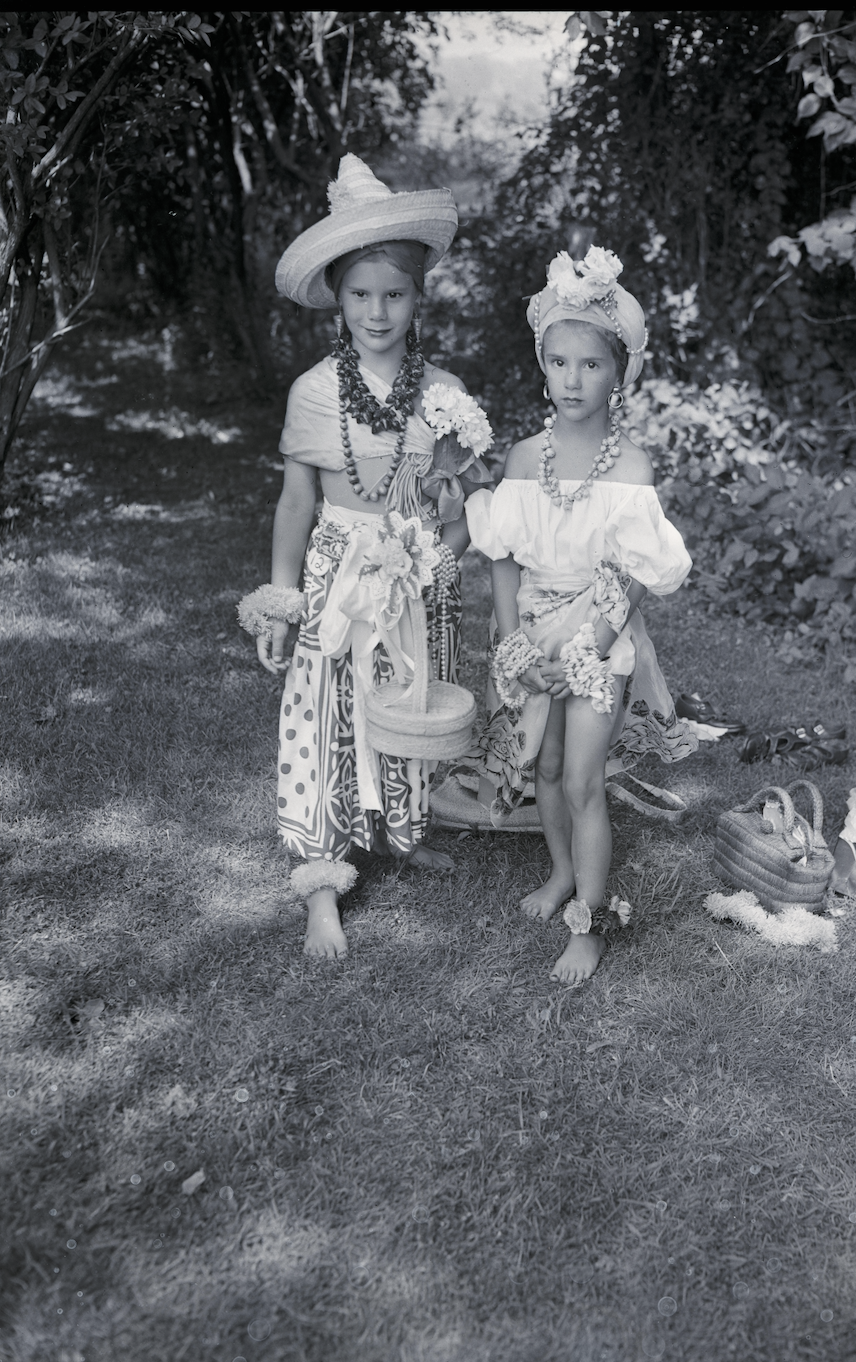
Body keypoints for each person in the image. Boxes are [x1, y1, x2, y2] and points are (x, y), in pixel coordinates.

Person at [238, 154, 490, 959]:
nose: (377, 312)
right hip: (339, 577)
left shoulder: (445, 394)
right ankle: (322, 875)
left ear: (419, 299)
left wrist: (440, 551)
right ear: (336, 299)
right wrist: (282, 600)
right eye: (360, 294)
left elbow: (460, 504)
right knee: (327, 710)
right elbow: (297, 503)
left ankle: (405, 829)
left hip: (414, 576)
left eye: (394, 294)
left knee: (407, 699)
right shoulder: (314, 393)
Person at [465, 247, 697, 983]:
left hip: (599, 634)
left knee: (584, 779)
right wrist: (513, 641)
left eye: (591, 366)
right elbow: (501, 555)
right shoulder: (523, 456)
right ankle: (563, 872)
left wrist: (588, 650)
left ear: (618, 374)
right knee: (550, 766)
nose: (572, 379)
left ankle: (590, 925)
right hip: (535, 630)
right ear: (542, 363)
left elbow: (632, 575)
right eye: (559, 362)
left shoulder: (630, 470)